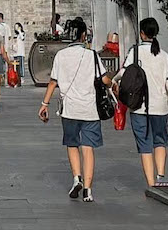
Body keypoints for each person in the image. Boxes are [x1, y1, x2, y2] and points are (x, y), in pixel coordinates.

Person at [38, 17, 110, 204]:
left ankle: (77, 178)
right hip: (90, 108)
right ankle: (88, 189)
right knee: (88, 147)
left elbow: (53, 82)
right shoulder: (92, 55)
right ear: (84, 35)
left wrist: (45, 104)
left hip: (69, 109)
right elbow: (104, 80)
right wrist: (114, 84)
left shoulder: (61, 56)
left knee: (72, 144)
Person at [114, 17, 168, 187]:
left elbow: (123, 73)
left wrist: (113, 80)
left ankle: (151, 184)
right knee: (160, 141)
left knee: (144, 145)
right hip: (160, 107)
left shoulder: (135, 52)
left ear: (142, 33)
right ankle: (160, 177)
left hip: (139, 107)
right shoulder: (164, 55)